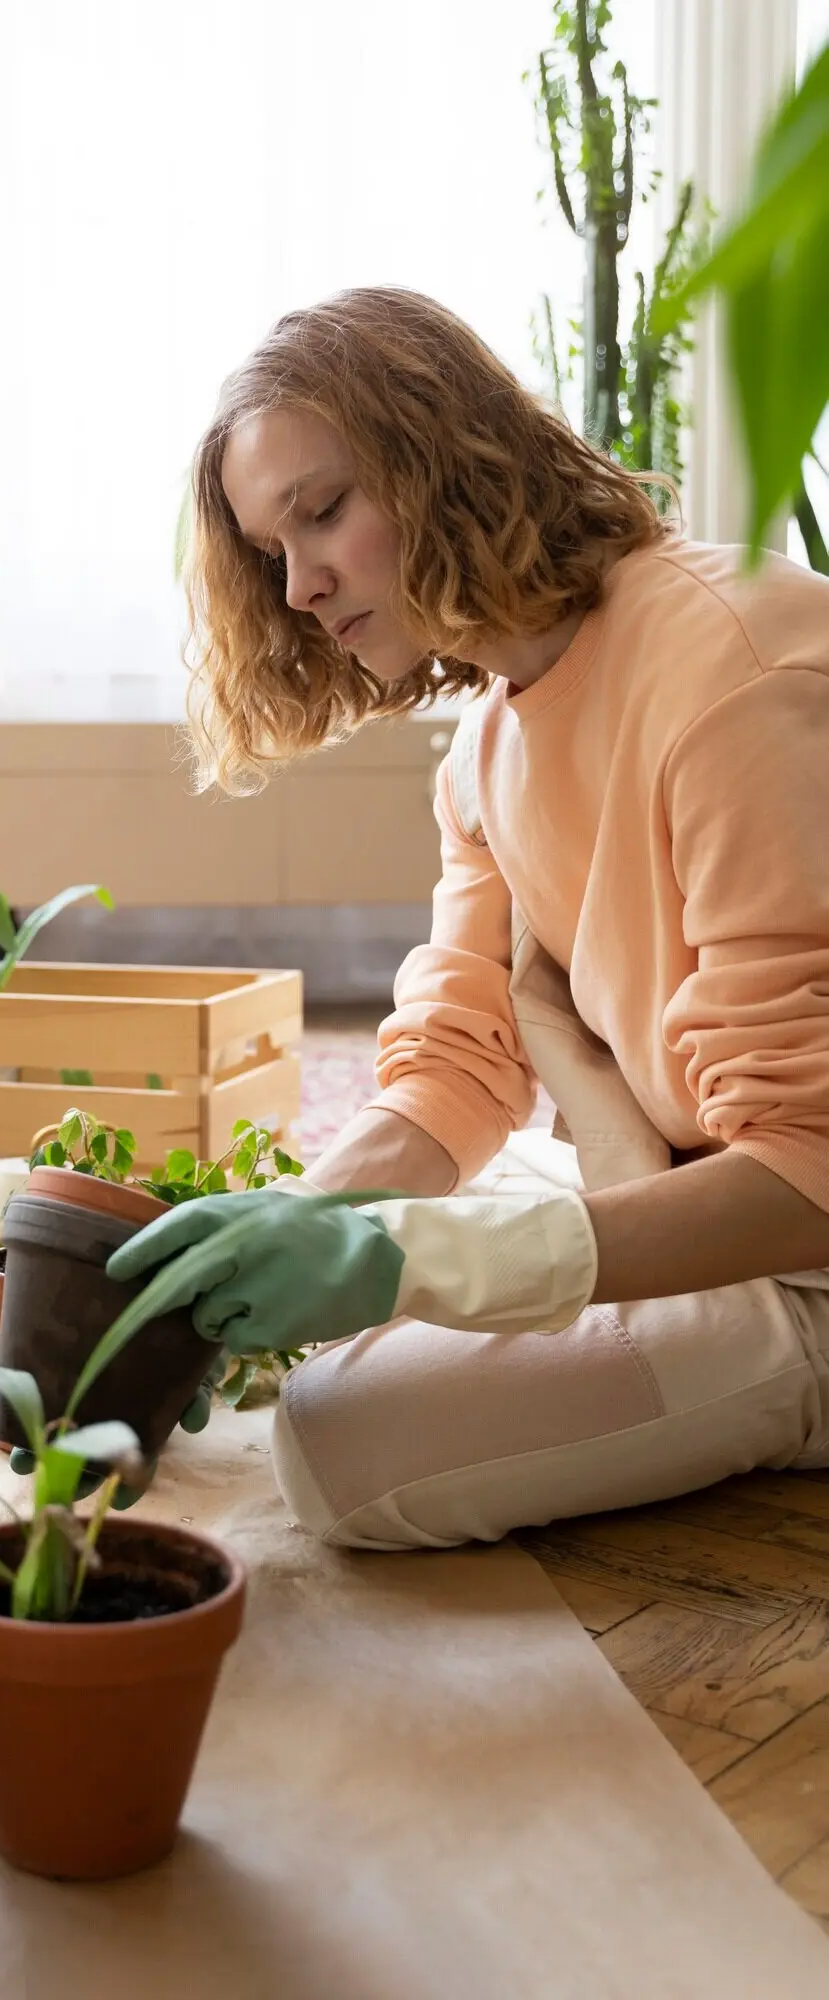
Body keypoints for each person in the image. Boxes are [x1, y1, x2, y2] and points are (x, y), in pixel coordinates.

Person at [106, 285, 829, 1551]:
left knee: (343, 1452)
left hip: (793, 1239)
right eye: (273, 550)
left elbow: (812, 1160)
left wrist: (417, 1260)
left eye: (322, 511)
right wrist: (303, 1219)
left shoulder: (733, 673)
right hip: (682, 1167)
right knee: (333, 1339)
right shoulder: (486, 749)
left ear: (442, 455)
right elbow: (455, 1066)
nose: (301, 586)